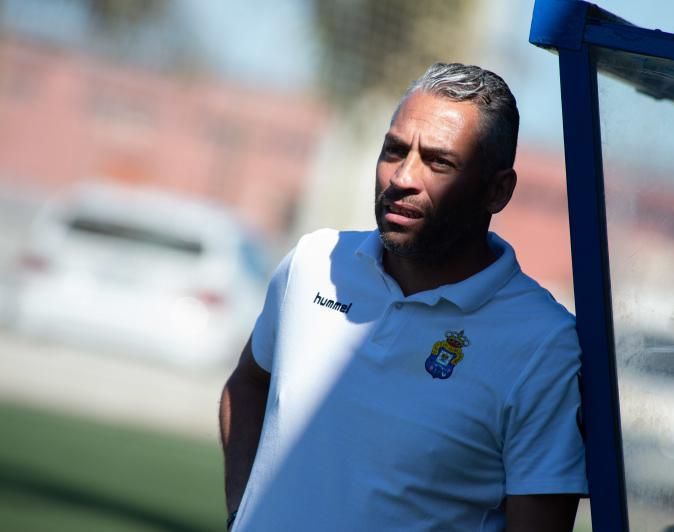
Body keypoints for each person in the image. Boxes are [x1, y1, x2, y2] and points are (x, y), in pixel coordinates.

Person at [219, 62, 587, 531]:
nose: (402, 178)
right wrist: (241, 514)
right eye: (395, 151)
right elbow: (247, 384)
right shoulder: (313, 262)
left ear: (498, 191)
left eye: (438, 162)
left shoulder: (545, 345)